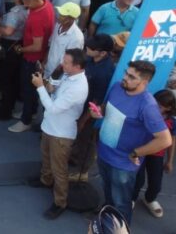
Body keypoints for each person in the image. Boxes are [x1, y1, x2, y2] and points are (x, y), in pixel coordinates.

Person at [90, 61, 173, 223]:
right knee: (107, 190)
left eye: (131, 76)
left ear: (144, 82)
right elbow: (106, 108)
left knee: (121, 202)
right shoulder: (116, 87)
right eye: (126, 73)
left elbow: (165, 139)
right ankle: (107, 214)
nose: (124, 78)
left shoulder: (147, 106)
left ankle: (120, 227)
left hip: (123, 164)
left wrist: (136, 153)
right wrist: (97, 112)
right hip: (104, 153)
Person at [28, 49, 88, 220]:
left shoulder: (78, 87)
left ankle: (60, 202)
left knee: (59, 169)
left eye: (67, 62)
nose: (63, 63)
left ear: (77, 66)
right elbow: (54, 91)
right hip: (50, 127)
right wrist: (50, 83)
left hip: (61, 134)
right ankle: (45, 180)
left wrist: (40, 87)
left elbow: (53, 108)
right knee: (46, 158)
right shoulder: (68, 75)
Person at [69, 34, 116, 182]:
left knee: (86, 139)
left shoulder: (105, 72)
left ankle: (81, 172)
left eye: (92, 47)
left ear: (102, 53)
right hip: (81, 103)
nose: (87, 48)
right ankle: (74, 158)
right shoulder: (89, 59)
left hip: (91, 111)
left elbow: (97, 100)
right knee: (78, 137)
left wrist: (84, 119)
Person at [9, 0, 55, 133]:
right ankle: (30, 112)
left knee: (28, 90)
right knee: (32, 91)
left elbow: (36, 46)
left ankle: (26, 120)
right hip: (40, 58)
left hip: (32, 58)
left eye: (27, 3)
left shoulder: (36, 18)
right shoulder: (47, 4)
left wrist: (21, 49)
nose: (25, 6)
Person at [131, 89, 175, 218]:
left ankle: (149, 199)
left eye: (160, 107)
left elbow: (172, 141)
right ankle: (131, 198)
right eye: (154, 104)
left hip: (157, 154)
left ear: (168, 108)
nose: (155, 108)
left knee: (156, 182)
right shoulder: (145, 114)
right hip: (142, 150)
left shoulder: (172, 122)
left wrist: (169, 161)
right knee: (137, 179)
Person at [0, 0, 29, 121]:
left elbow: (8, 31)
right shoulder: (29, 11)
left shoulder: (15, 13)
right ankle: (10, 105)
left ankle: (4, 111)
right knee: (14, 80)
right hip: (20, 45)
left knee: (7, 80)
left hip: (9, 46)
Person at [44, 3, 84, 83]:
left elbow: (67, 62)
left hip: (57, 77)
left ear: (71, 19)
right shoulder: (58, 25)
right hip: (47, 70)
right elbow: (51, 45)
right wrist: (44, 63)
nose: (59, 17)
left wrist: (51, 80)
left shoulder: (77, 38)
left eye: (63, 15)